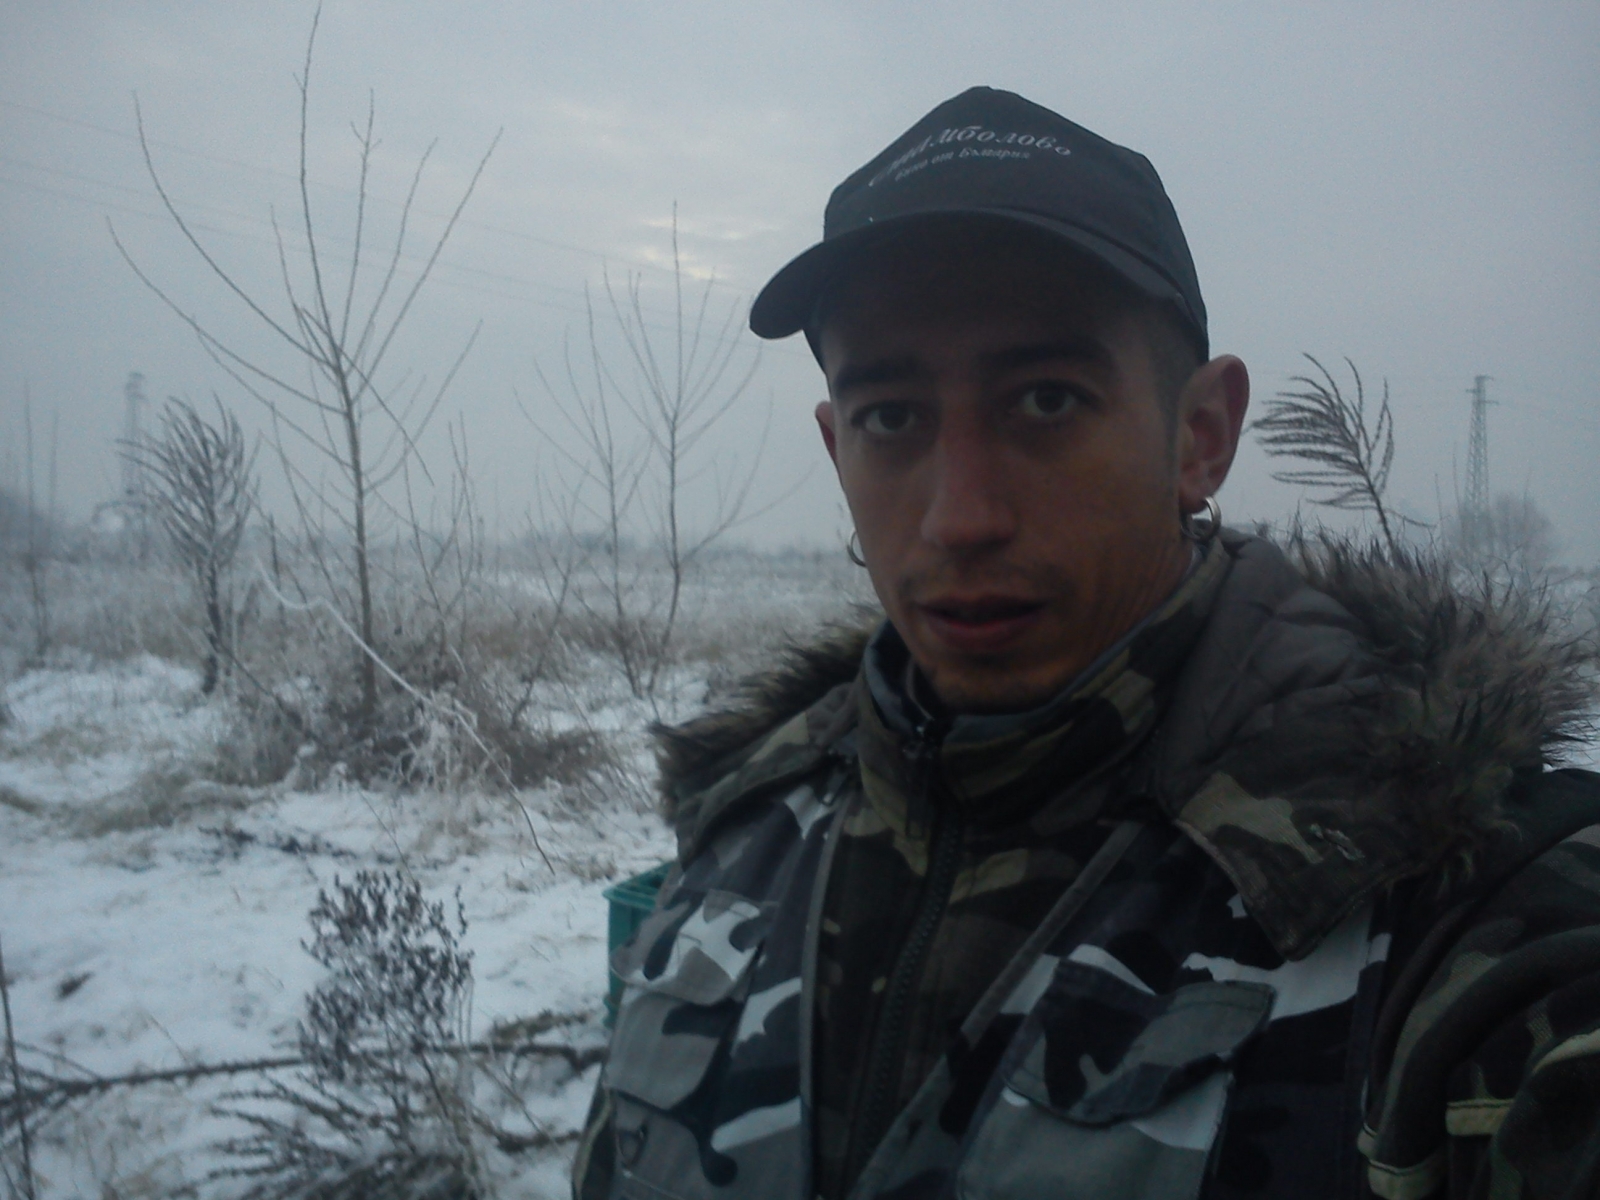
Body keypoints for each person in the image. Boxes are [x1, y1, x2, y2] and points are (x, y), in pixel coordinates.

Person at [572, 87, 1600, 1200]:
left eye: (1047, 401)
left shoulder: (1450, 890)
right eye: (890, 417)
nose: (959, 517)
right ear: (836, 446)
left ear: (1199, 436)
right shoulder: (744, 830)